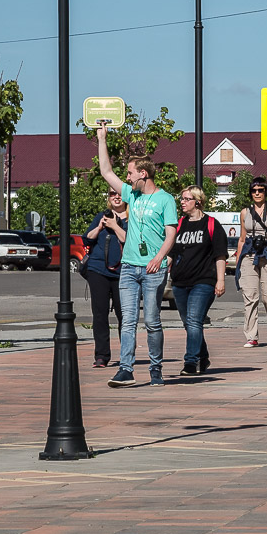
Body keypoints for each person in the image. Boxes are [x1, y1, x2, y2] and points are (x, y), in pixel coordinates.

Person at [98, 135, 178, 388]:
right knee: (128, 320)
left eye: (131, 173)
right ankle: (126, 369)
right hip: (129, 267)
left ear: (143, 173)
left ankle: (156, 368)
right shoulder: (132, 195)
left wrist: (159, 257)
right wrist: (102, 139)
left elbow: (171, 233)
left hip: (154, 268)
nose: (128, 177)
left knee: (152, 322)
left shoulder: (165, 199)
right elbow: (105, 171)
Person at [171, 186, 228, 374]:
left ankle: (190, 361)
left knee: (195, 320)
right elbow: (171, 252)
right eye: (182, 199)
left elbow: (220, 255)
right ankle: (203, 357)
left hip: (203, 281)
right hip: (180, 282)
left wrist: (221, 281)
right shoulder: (179, 224)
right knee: (189, 323)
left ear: (198, 201)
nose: (183, 202)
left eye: (187, 199)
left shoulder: (212, 224)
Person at [234, 176, 267, 348]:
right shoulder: (245, 212)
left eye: (260, 190)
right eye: (254, 190)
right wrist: (238, 261)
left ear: (265, 191)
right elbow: (242, 238)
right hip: (249, 254)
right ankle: (251, 336)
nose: (257, 193)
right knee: (250, 296)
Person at [81, 189, 129, 367]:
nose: (116, 197)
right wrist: (100, 226)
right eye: (111, 194)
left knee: (124, 315)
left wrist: (115, 226)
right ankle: (101, 355)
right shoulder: (102, 216)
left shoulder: (131, 218)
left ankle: (126, 354)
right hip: (98, 270)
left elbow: (129, 240)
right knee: (99, 314)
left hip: (123, 272)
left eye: (119, 194)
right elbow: (87, 239)